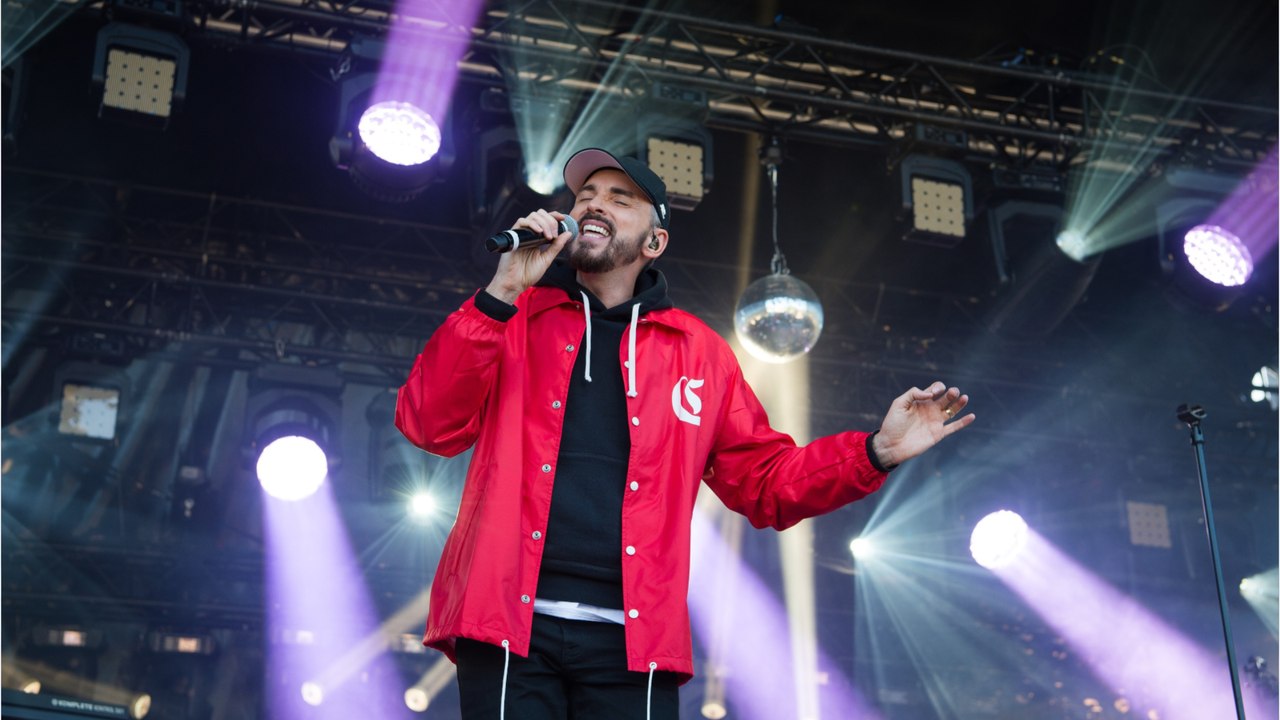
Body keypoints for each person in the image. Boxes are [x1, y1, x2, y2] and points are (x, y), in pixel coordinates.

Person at [395, 148, 974, 719]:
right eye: (586, 196)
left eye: (620, 200)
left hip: (632, 639)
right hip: (508, 625)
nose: (594, 205)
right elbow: (428, 425)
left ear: (654, 242)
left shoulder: (699, 354)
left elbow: (766, 483)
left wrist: (876, 452)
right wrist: (500, 293)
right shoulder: (511, 318)